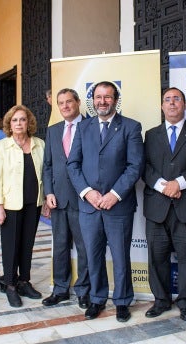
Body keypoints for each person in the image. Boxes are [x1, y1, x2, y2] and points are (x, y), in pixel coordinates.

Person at [67, 81, 144, 322]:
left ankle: (122, 301)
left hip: (118, 205)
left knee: (121, 255)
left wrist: (115, 194)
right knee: (93, 255)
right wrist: (87, 192)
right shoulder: (83, 127)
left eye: (107, 97)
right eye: (98, 97)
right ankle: (97, 299)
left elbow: (135, 166)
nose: (102, 101)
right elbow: (73, 164)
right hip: (88, 206)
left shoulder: (130, 127)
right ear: (93, 101)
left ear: (115, 99)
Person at [143, 87, 186, 322]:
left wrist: (179, 184)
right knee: (157, 257)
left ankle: (185, 303)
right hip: (157, 209)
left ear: (185, 105)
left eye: (176, 99)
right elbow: (144, 167)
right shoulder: (151, 135)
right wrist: (164, 186)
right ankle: (161, 300)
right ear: (162, 106)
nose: (172, 103)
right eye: (167, 100)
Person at [42, 88, 91, 309]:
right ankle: (60, 289)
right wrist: (49, 193)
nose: (65, 106)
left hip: (84, 199)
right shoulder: (53, 131)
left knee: (85, 247)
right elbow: (48, 166)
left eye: (69, 102)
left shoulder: (92, 126)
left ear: (78, 102)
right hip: (59, 199)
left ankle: (84, 291)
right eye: (60, 103)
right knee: (60, 246)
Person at [0, 105, 45, 307]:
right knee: (11, 246)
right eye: (14, 120)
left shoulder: (39, 144)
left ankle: (24, 281)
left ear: (28, 122)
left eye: (22, 119)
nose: (19, 123)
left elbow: (44, 173)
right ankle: (11, 285)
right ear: (9, 124)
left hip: (34, 202)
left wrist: (46, 197)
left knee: (27, 245)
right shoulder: (2, 146)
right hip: (11, 205)